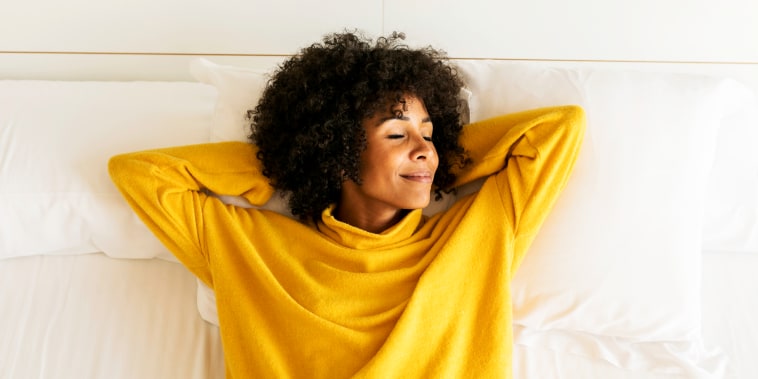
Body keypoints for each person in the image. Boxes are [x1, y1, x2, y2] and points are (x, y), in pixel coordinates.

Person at [109, 31, 585, 378]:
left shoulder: (480, 231)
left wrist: (434, 165)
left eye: (430, 133)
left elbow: (558, 129)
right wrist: (292, 160)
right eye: (396, 133)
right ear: (336, 149)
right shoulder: (249, 248)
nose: (424, 147)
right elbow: (142, 174)